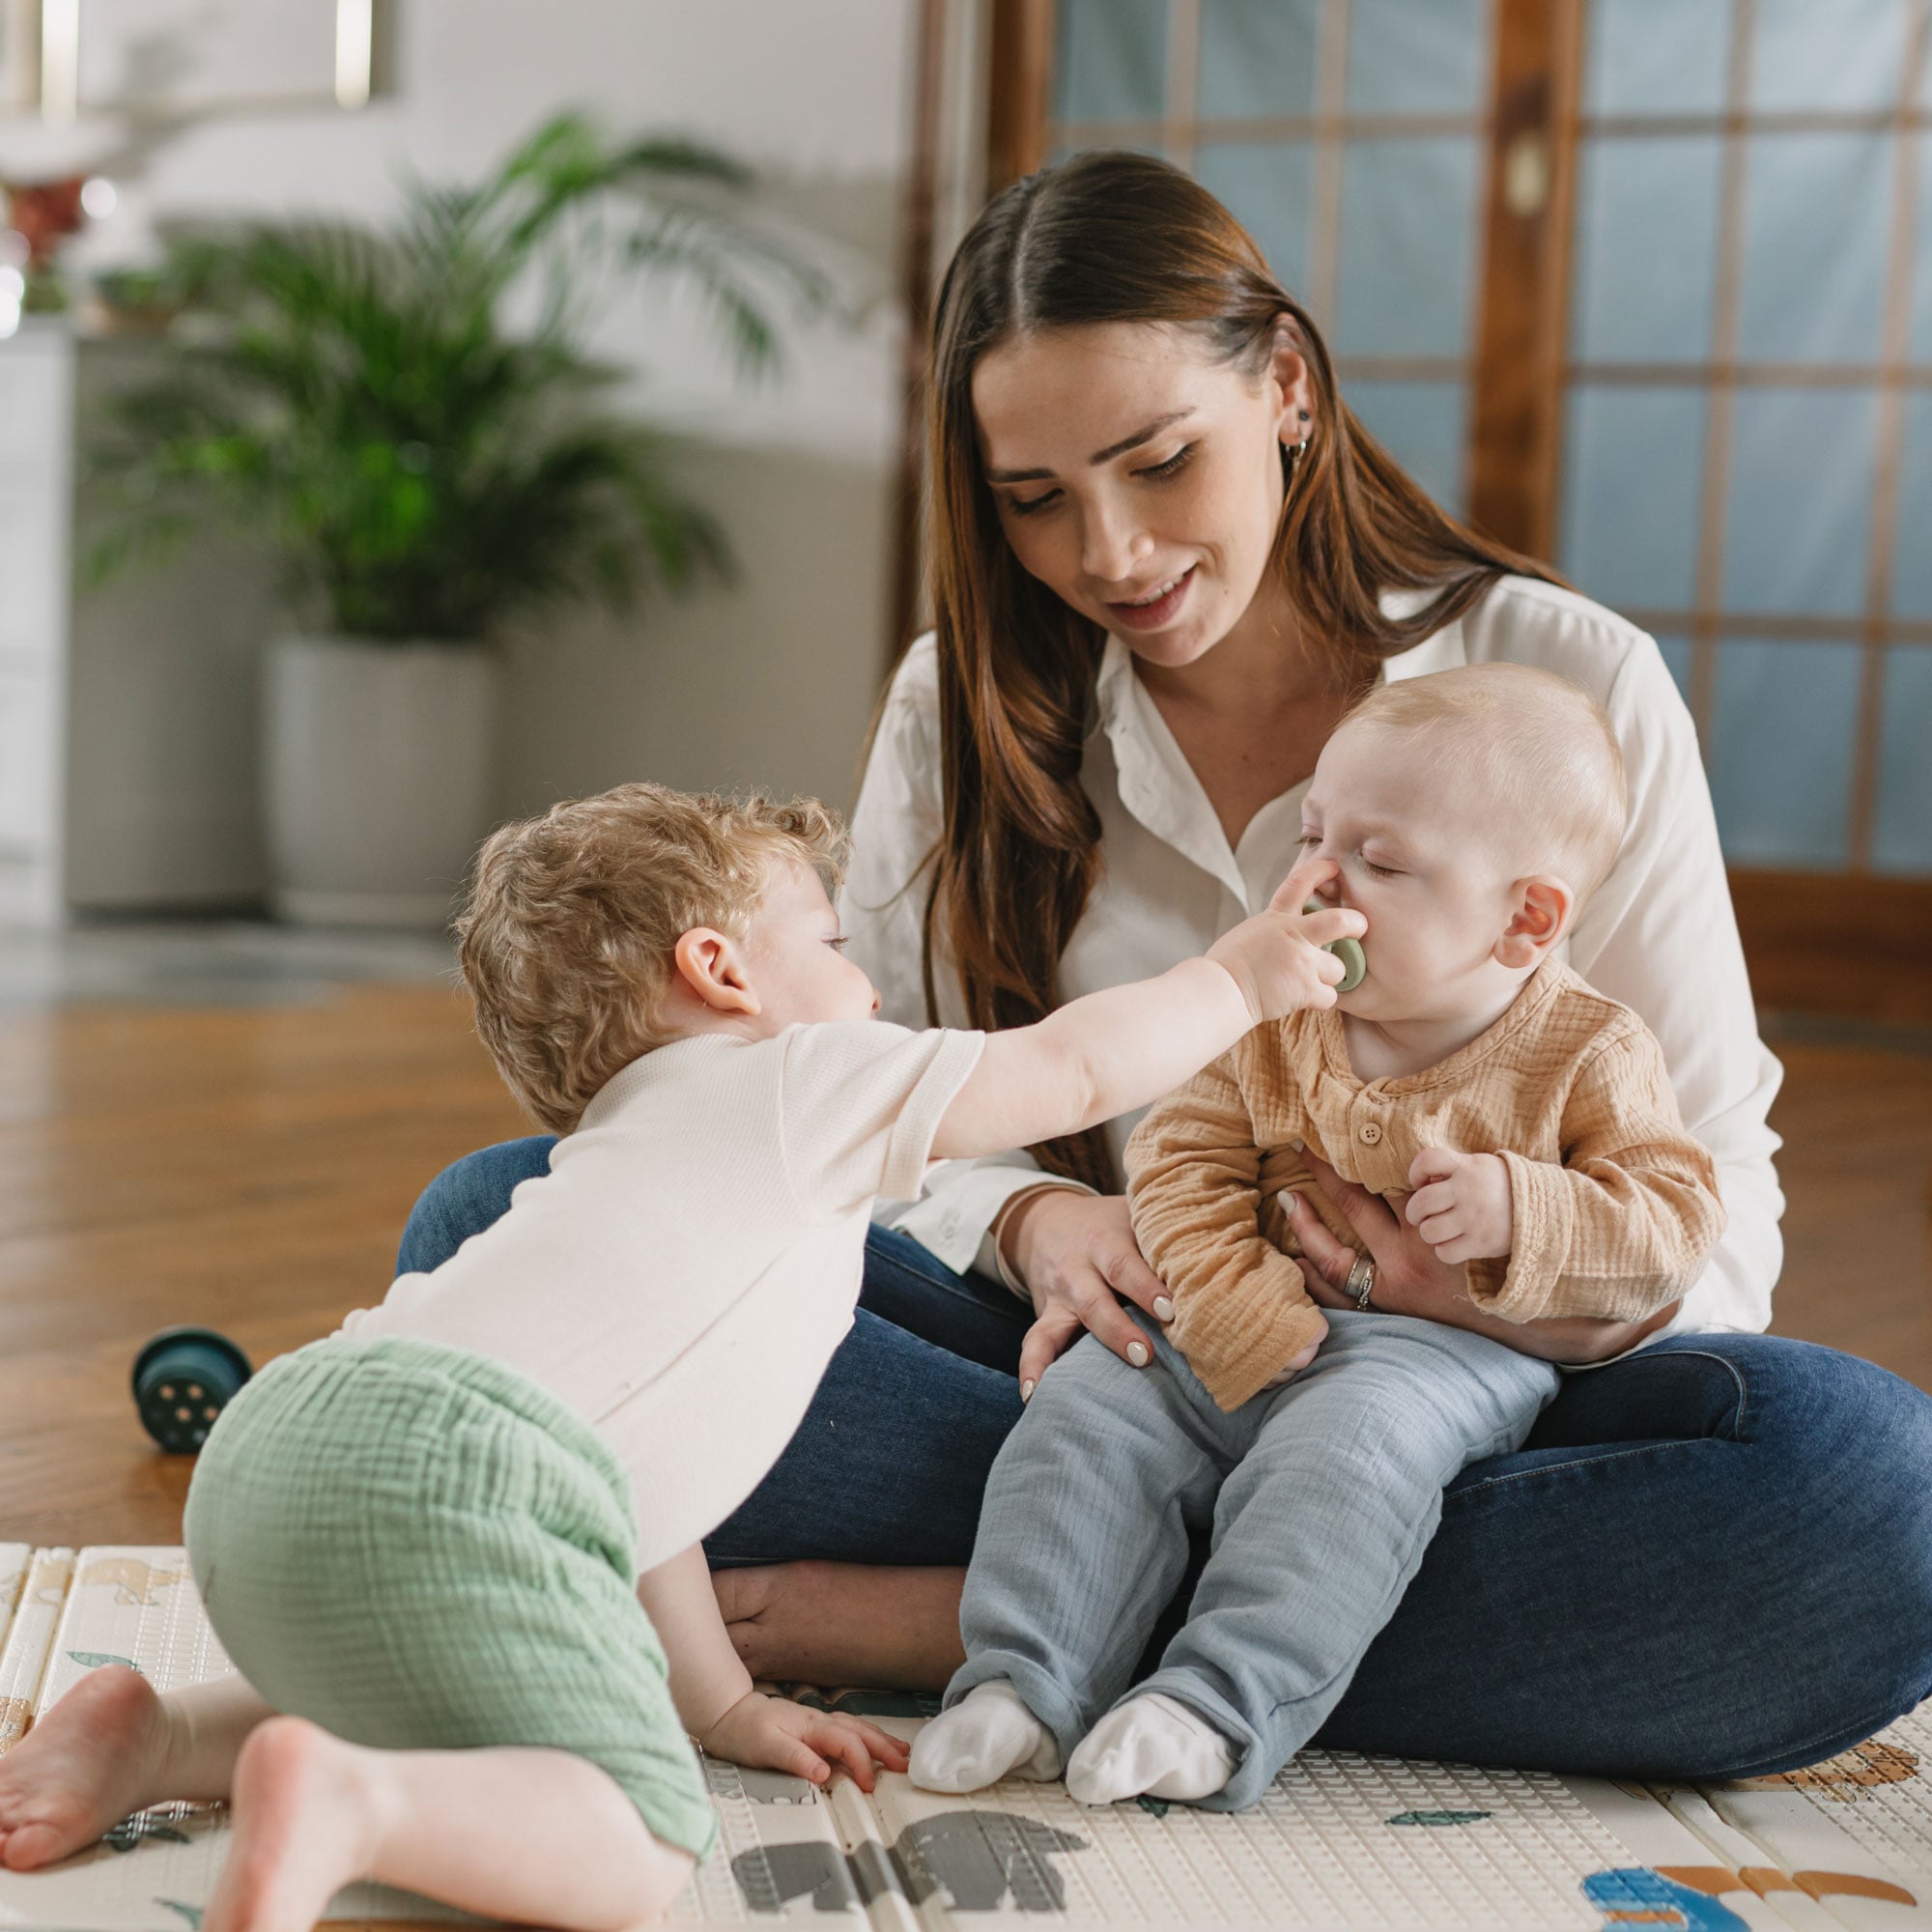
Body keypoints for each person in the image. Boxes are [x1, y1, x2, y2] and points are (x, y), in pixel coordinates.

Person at [395, 151, 1932, 1776]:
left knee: (1868, 1503)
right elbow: (853, 1093)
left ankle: (989, 1615)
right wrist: (1036, 1216)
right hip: (1108, 1368)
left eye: (1157, 461)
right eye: (1036, 499)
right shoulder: (962, 702)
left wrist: (1505, 1290)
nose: (1111, 553)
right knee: (496, 1225)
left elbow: (1713, 1206)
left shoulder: (1562, 684)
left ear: (1283, 384)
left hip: (1478, 1414)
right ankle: (1193, 1595)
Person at [0, 781, 1361, 1928]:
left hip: (290, 1445)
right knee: (640, 1847)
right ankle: (359, 1804)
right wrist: (1236, 978)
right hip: (469, 1476)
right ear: (721, 971)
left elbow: (639, 1501)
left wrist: (717, 1703)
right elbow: (1066, 1073)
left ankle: (160, 1739)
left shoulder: (616, 1162)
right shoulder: (796, 1081)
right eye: (830, 941)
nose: (868, 981)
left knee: (440, 1672)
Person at [909, 664, 1725, 1809]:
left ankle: (1213, 1701)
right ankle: (1021, 1683)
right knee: (1088, 1408)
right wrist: (1228, 1289)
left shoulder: (1586, 1049)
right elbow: (1181, 1152)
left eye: (1379, 862)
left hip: (1435, 1352)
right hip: (1230, 1310)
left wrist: (1516, 1206)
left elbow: (1677, 1220)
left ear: (1523, 918)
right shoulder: (1281, 1003)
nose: (1316, 883)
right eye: (1310, 836)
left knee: (1345, 1460)